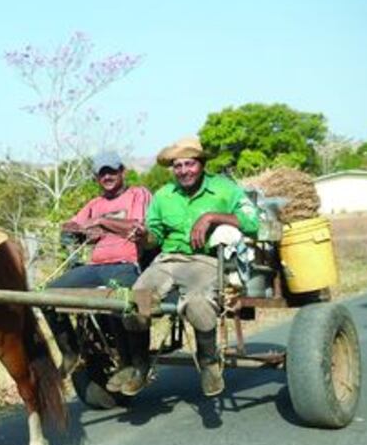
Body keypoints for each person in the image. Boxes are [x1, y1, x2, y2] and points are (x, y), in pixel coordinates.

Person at [111, 136, 260, 398]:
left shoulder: (224, 189)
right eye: (178, 166)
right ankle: (140, 367)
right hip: (167, 260)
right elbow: (154, 234)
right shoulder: (164, 195)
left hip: (206, 260)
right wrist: (144, 236)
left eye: (189, 164)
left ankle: (208, 364)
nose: (183, 171)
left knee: (197, 303)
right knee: (136, 302)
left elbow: (253, 222)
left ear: (201, 164)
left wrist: (211, 216)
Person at [45, 151, 152, 372]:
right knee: (45, 295)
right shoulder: (94, 203)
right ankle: (70, 353)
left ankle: (134, 363)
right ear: (96, 178)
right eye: (102, 174)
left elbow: (137, 226)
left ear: (122, 171)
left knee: (120, 301)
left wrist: (102, 222)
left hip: (126, 265)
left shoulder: (137, 194)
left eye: (111, 171)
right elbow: (71, 226)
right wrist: (77, 229)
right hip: (94, 267)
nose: (107, 177)